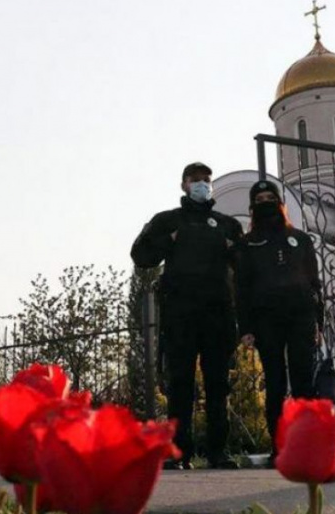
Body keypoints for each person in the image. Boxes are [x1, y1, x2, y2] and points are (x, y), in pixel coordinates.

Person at [131, 161, 243, 470]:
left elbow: (244, 267)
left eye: (206, 180)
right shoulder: (167, 221)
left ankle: (218, 452)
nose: (202, 184)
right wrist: (169, 241)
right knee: (180, 384)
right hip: (180, 317)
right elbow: (140, 256)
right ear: (184, 185)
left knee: (218, 385)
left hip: (218, 317)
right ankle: (180, 453)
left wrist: (234, 252)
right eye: (195, 180)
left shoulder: (226, 225)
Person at [235, 180, 324, 468]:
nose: (265, 202)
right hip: (266, 320)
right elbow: (242, 288)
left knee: (303, 383)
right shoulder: (247, 244)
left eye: (269, 197)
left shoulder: (300, 239)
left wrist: (318, 323)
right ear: (253, 207)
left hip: (301, 317)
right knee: (275, 384)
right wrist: (245, 327)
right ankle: (280, 447)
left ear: (279, 202)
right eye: (259, 198)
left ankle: (307, 445)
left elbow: (314, 284)